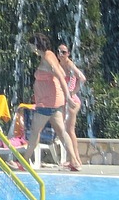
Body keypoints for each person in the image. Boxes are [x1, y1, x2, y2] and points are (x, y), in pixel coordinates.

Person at [23, 32, 81, 171]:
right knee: (62, 132)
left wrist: (68, 96)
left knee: (35, 131)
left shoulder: (48, 58)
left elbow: (61, 76)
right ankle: (74, 162)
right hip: (53, 101)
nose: (30, 48)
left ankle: (23, 162)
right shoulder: (49, 55)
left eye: (31, 45)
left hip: (47, 103)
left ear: (36, 45)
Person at [58, 42, 87, 168]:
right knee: (66, 130)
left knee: (69, 130)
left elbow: (82, 78)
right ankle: (73, 159)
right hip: (65, 100)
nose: (61, 54)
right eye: (59, 51)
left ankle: (76, 160)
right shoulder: (59, 66)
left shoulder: (69, 65)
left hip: (72, 100)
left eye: (63, 52)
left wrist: (73, 93)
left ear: (68, 54)